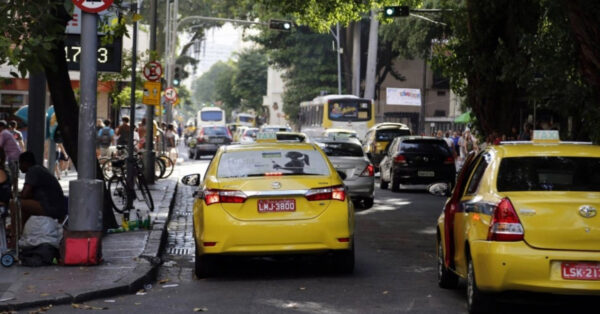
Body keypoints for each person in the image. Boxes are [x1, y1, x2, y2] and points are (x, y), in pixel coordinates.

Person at [11, 152, 67, 232]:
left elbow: (25, 194)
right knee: (25, 207)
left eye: (20, 163)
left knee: (15, 203)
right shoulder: (40, 168)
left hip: (50, 207)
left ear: (25, 163)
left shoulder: (32, 171)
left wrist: (13, 194)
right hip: (56, 206)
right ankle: (20, 230)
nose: (19, 167)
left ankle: (14, 231)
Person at [0, 120, 22, 192]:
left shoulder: (3, 133)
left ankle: (11, 193)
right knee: (14, 176)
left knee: (12, 176)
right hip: (15, 156)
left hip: (13, 157)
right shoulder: (7, 132)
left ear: (1, 127)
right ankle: (14, 193)